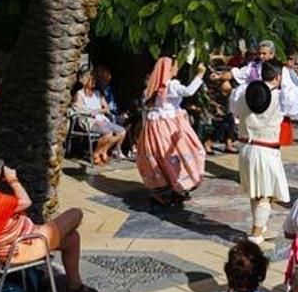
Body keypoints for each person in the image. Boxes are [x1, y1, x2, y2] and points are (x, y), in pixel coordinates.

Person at [0, 150, 98, 292]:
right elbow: (25, 201)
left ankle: (74, 284)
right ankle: (49, 254)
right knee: (76, 214)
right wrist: (13, 180)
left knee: (72, 238)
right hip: (17, 249)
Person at [235, 60, 298, 244]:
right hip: (265, 150)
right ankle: (256, 235)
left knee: (256, 191)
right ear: (278, 77)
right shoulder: (280, 98)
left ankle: (259, 225)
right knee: (266, 193)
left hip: (245, 147)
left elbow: (233, 103)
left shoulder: (243, 92)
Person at [136, 57, 207, 204]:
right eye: (175, 66)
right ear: (168, 69)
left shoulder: (152, 88)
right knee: (183, 153)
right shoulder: (171, 85)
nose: (177, 69)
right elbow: (188, 91)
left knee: (160, 157)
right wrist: (200, 74)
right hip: (170, 126)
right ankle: (177, 187)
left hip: (154, 128)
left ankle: (165, 189)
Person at [73, 73, 126, 165]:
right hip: (89, 120)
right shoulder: (80, 94)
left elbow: (106, 108)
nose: (94, 82)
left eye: (94, 80)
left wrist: (97, 111)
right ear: (85, 82)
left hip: (102, 119)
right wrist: (94, 115)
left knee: (122, 132)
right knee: (108, 133)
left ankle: (103, 151)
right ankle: (96, 154)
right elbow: (80, 110)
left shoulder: (98, 93)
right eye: (91, 80)